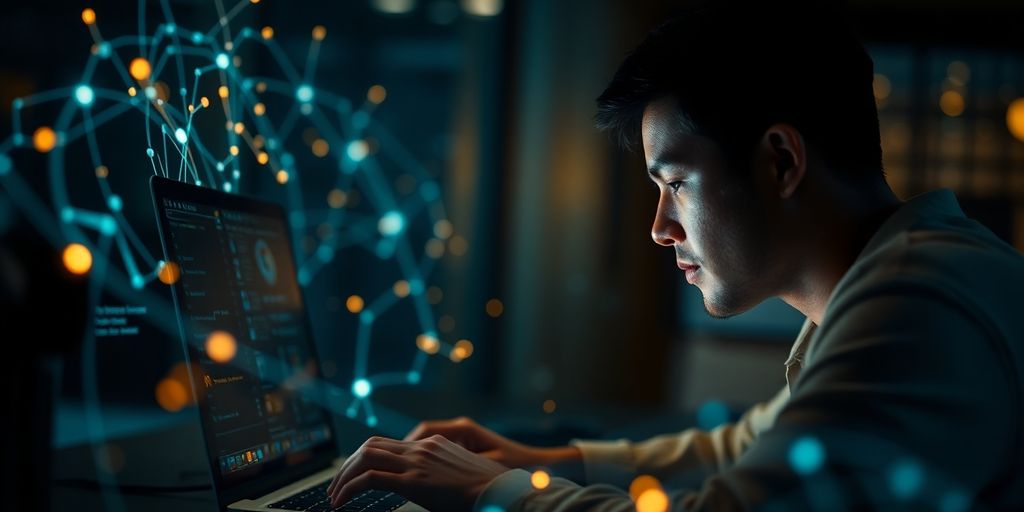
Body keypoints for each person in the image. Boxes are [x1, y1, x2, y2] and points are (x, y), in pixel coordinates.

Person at [327, 2, 1024, 510]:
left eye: (678, 184)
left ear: (779, 162)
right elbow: (744, 448)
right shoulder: (906, 280)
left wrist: (490, 492)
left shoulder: (919, 303)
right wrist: (541, 461)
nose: (660, 228)